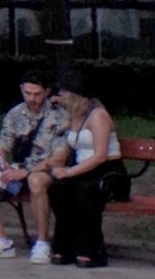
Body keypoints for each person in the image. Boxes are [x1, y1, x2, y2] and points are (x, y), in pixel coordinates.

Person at [28, 69, 124, 267]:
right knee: (59, 188)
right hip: (84, 170)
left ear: (75, 95)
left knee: (86, 191)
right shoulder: (75, 114)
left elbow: (100, 156)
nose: (60, 95)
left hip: (108, 171)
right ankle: (65, 246)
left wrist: (69, 171)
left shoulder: (98, 116)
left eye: (63, 92)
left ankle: (92, 250)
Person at [0, 72, 66, 256]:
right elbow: (2, 144)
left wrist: (26, 172)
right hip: (17, 172)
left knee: (36, 180)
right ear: (21, 90)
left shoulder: (59, 116)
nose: (31, 98)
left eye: (36, 94)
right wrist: (1, 161)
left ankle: (42, 243)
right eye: (27, 93)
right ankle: (2, 240)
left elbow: (58, 158)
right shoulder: (15, 113)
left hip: (46, 171)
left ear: (47, 92)